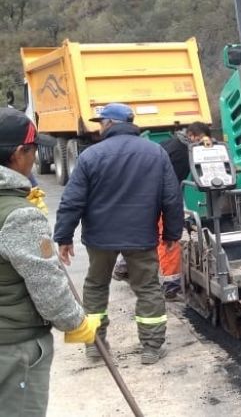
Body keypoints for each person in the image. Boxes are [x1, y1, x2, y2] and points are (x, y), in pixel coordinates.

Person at [53, 103, 183, 365]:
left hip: (100, 238)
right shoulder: (155, 153)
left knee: (95, 287)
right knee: (147, 288)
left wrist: (64, 236)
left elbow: (73, 199)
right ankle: (151, 348)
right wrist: (171, 234)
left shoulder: (91, 155)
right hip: (141, 236)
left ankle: (95, 346)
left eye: (101, 123)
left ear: (111, 124)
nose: (99, 127)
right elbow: (172, 198)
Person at [0, 108, 99, 416]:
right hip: (12, 347)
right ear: (19, 153)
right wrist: (76, 323)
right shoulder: (18, 214)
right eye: (31, 152)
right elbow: (45, 282)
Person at [113, 122, 211, 300]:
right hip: (155, 194)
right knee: (168, 238)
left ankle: (122, 267)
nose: (202, 142)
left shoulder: (172, 143)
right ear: (192, 135)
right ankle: (171, 285)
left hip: (141, 192)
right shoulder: (181, 152)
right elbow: (168, 182)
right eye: (201, 138)